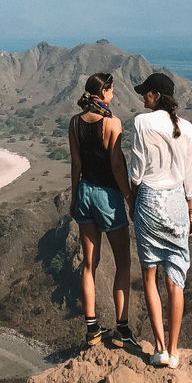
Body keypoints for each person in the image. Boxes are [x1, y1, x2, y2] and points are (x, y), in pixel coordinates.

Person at [128, 72, 192, 368]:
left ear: (156, 95)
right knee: (175, 281)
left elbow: (136, 171)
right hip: (177, 205)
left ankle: (158, 348)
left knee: (149, 276)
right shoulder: (188, 128)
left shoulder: (142, 123)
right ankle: (173, 350)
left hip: (149, 201)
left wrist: (133, 202)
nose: (143, 96)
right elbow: (190, 176)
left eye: (146, 92)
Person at [68, 71, 137, 349]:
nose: (113, 94)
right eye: (111, 90)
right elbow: (118, 166)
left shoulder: (74, 123)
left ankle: (92, 329)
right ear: (103, 92)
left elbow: (76, 165)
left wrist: (74, 198)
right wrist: (129, 197)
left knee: (89, 265)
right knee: (123, 263)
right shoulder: (112, 123)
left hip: (84, 192)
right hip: (107, 197)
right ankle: (122, 329)